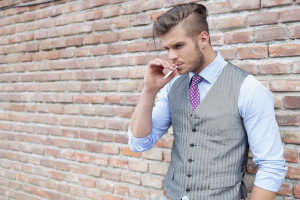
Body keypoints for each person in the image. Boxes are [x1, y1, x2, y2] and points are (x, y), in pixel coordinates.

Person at [128, 3, 287, 200]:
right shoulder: (172, 86)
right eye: (167, 48)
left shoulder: (248, 89)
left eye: (178, 45)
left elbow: (272, 167)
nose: (171, 56)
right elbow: (139, 143)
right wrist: (149, 91)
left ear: (203, 39)